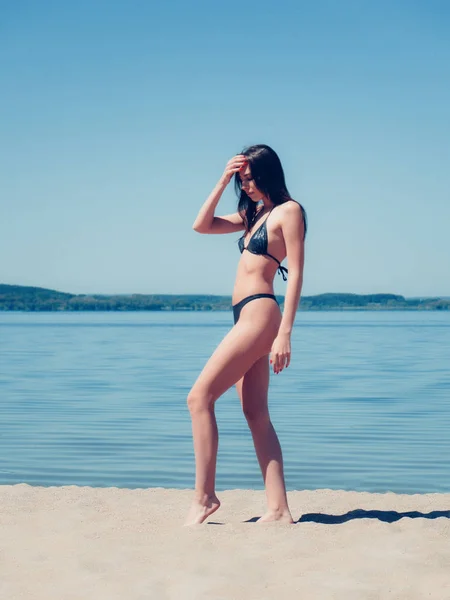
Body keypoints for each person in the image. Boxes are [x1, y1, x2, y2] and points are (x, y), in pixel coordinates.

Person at [185, 144, 307, 525]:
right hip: (244, 317)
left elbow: (299, 273)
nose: (247, 185)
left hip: (261, 312)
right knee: (255, 412)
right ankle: (278, 509)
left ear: (269, 173)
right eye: (243, 179)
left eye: (252, 178)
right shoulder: (254, 214)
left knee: (199, 398)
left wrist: (285, 331)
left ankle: (204, 498)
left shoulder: (289, 211)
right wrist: (223, 179)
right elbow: (201, 225)